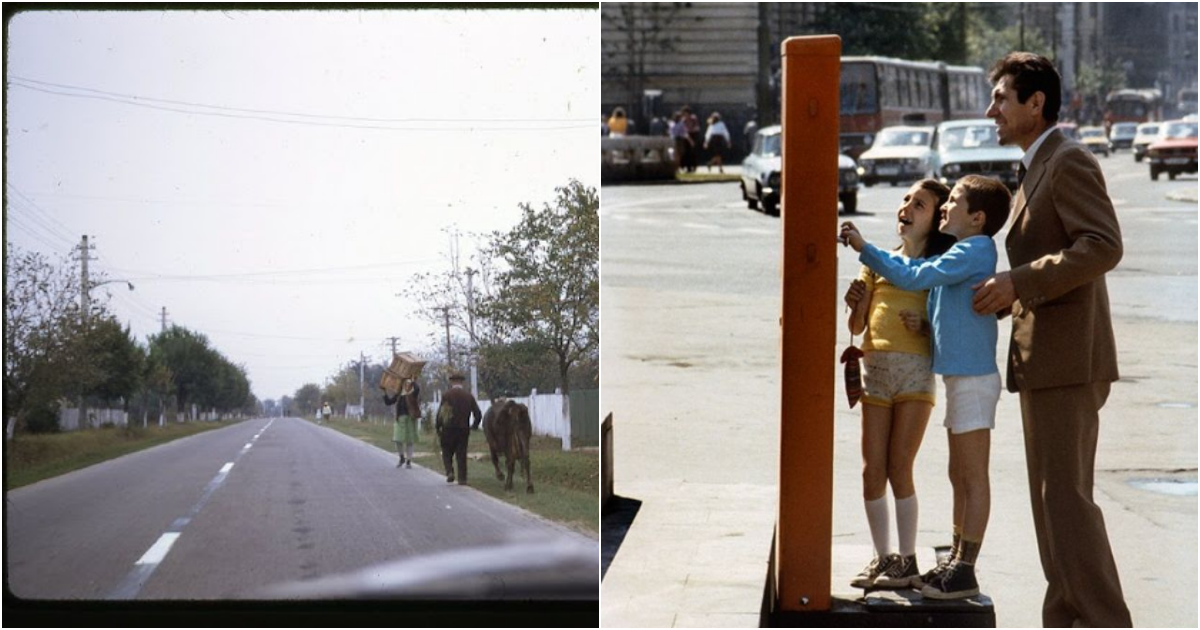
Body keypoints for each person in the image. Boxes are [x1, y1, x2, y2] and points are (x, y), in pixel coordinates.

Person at [972, 52, 1131, 627]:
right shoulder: (1033, 165)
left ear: (1035, 104)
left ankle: (1103, 620)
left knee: (1067, 505)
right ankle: (1067, 618)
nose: (991, 109)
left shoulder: (1068, 161)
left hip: (1069, 359)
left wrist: (1021, 281)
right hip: (1043, 361)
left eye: (1001, 98)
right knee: (1051, 508)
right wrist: (1006, 293)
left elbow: (1103, 245)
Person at [840, 174, 1012, 600]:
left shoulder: (976, 248)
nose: (946, 208)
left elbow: (916, 276)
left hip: (972, 378)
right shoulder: (963, 250)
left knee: (972, 477)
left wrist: (865, 248)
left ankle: (965, 568)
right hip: (960, 377)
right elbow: (946, 312)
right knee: (959, 475)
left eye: (953, 201)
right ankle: (956, 561)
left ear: (977, 217)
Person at [842, 179, 955, 590]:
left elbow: (948, 326)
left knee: (899, 467)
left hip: (915, 375)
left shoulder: (934, 269)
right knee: (872, 470)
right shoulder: (877, 263)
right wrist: (857, 303)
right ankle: (882, 556)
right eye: (906, 199)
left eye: (919, 204)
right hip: (875, 371)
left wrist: (925, 325)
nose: (906, 207)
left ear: (935, 222)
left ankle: (906, 562)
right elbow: (857, 326)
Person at [435, 372, 482, 485]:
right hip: (463, 429)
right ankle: (462, 478)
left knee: (446, 451)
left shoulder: (447, 395)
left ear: (452, 382)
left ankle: (450, 471)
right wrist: (474, 426)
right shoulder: (468, 396)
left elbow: (441, 413)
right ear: (462, 382)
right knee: (461, 453)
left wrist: (438, 426)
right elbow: (478, 414)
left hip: (448, 428)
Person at [383, 378, 420, 469]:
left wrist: (413, 380)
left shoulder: (413, 393)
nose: (407, 385)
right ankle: (401, 457)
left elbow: (417, 388)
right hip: (400, 419)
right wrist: (385, 392)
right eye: (405, 384)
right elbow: (389, 402)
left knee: (410, 441)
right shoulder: (399, 394)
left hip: (411, 419)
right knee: (397, 439)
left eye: (408, 384)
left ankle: (409, 461)